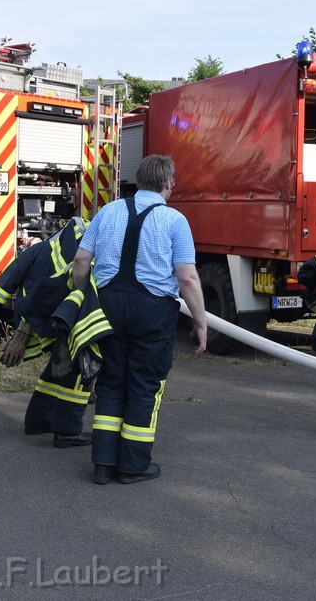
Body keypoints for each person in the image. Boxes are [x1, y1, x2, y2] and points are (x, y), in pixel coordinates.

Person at [71, 154, 208, 485]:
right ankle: (133, 465)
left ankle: (103, 465)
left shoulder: (107, 212)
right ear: (168, 183)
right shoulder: (175, 220)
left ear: (138, 179)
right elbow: (187, 278)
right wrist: (202, 322)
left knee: (111, 382)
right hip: (152, 311)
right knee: (145, 384)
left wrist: (82, 300)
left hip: (108, 308)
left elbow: (80, 259)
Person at [0, 218, 99, 447]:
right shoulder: (88, 253)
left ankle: (37, 421)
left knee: (56, 372)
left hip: (36, 315)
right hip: (64, 317)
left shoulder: (45, 246)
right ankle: (67, 432)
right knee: (80, 370)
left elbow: (11, 274)